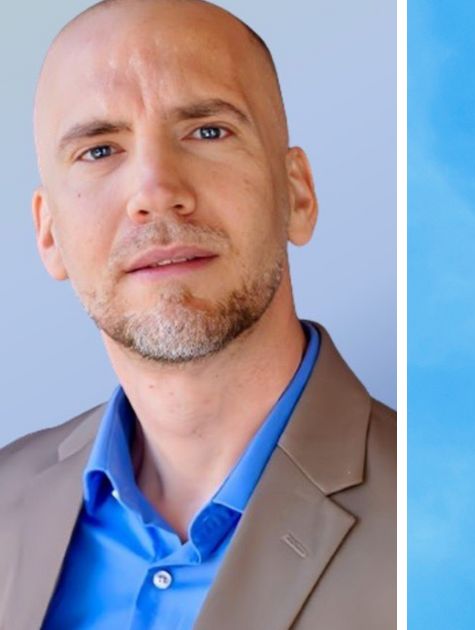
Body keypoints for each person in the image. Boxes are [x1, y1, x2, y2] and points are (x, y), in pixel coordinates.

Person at [0, 0, 396, 628]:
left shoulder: (442, 517)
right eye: (100, 150)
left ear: (297, 193)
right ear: (49, 234)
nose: (155, 190)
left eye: (208, 131)